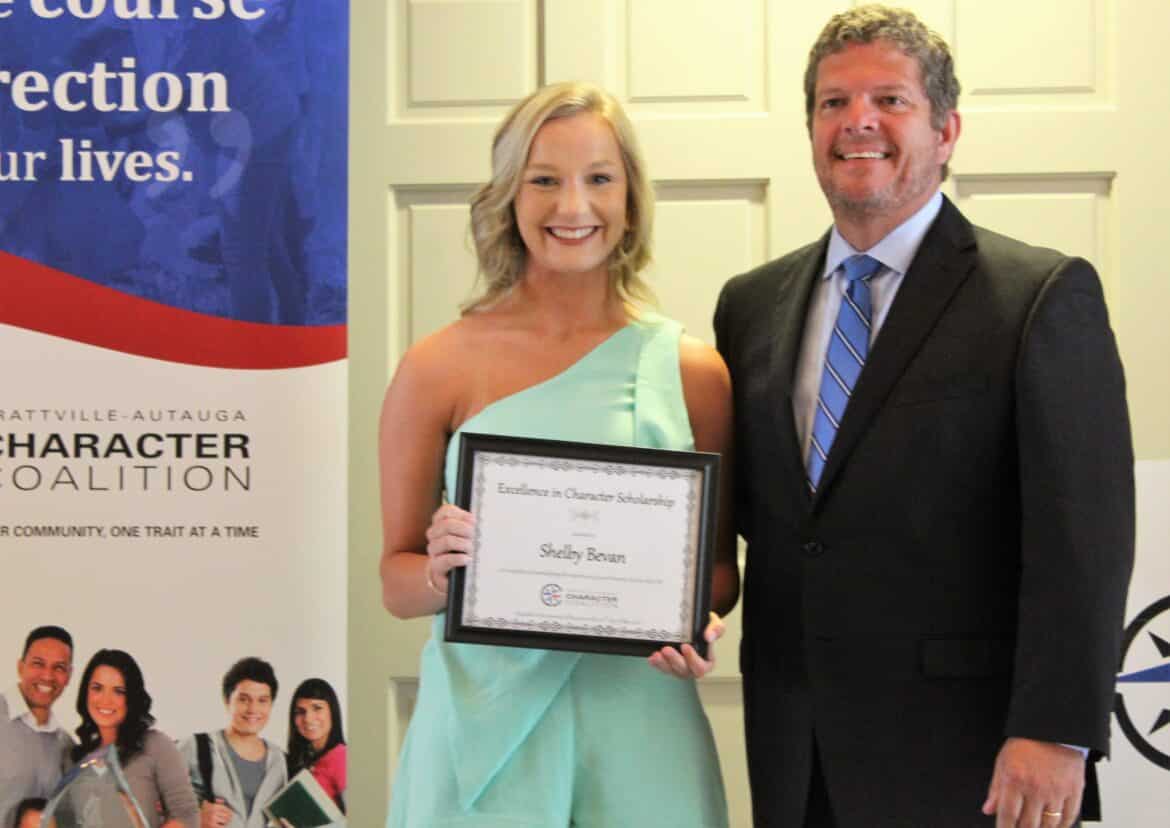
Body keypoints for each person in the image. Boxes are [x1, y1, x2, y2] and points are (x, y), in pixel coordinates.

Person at [713, 6, 1134, 827]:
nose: (857, 121)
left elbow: (1085, 538)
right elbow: (758, 519)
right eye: (833, 102)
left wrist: (1056, 730)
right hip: (798, 749)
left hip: (974, 757)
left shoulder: (1039, 296)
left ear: (946, 131)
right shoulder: (750, 304)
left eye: (890, 100)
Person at [378, 80, 738, 827]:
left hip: (641, 726)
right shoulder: (436, 366)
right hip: (479, 733)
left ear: (631, 198)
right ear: (509, 195)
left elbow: (717, 573)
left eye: (599, 178)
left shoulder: (694, 372)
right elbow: (396, 580)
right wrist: (443, 572)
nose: (573, 207)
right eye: (544, 180)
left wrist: (696, 620)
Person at [69, 649, 198, 828]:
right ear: (85, 692)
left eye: (118, 691)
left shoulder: (155, 746)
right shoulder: (76, 757)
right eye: (97, 688)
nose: (106, 700)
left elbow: (186, 815)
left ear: (131, 697)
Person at [179, 658, 287, 828]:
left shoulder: (281, 761)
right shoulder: (195, 747)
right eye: (244, 699)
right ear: (227, 700)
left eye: (262, 700)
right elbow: (153, 804)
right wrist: (194, 817)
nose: (253, 709)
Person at [1, 627, 75, 828]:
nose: (47, 676)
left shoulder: (65, 746)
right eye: (38, 664)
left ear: (69, 675)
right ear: (21, 667)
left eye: (58, 667)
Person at [286, 679, 346, 812]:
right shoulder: (300, 761)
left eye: (317, 708)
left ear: (332, 712)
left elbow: (360, 817)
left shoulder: (341, 757)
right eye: (300, 711)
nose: (308, 718)